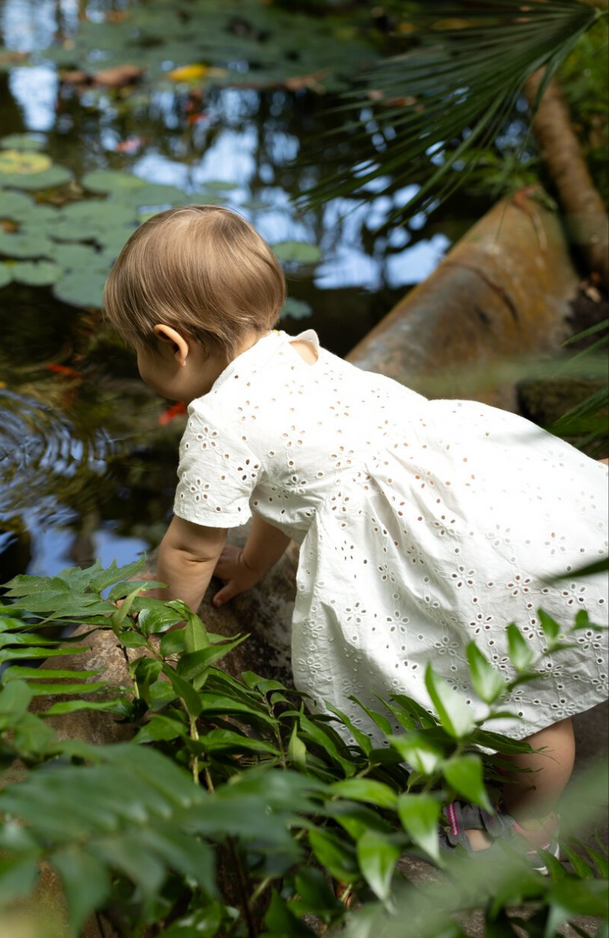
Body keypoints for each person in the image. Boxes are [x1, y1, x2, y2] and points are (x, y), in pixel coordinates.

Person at [103, 205, 608, 866]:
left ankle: (518, 836)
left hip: (430, 546)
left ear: (173, 344)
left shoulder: (220, 420)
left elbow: (192, 546)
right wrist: (253, 566)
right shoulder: (300, 352)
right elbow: (289, 492)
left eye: (137, 349)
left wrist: (165, 624)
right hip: (474, 496)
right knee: (536, 687)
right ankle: (536, 823)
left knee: (514, 702)